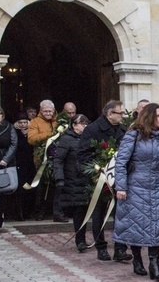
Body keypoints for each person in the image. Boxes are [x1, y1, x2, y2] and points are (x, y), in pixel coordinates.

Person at [113, 103, 159, 279]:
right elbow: (121, 162)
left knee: (157, 226)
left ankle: (154, 264)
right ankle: (137, 259)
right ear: (149, 117)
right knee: (136, 224)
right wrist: (121, 187)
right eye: (158, 115)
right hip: (136, 186)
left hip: (157, 187)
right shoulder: (134, 135)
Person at [78, 100, 132, 262]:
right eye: (120, 113)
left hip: (120, 178)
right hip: (99, 179)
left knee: (121, 214)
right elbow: (83, 155)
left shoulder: (123, 130)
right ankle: (101, 247)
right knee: (99, 213)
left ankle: (120, 248)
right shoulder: (93, 129)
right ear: (110, 114)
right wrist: (98, 169)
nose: (123, 115)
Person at [53, 114, 92, 252]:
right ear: (74, 125)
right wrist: (59, 178)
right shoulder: (66, 139)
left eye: (86, 123)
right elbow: (58, 160)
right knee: (78, 211)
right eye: (82, 123)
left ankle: (84, 239)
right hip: (73, 180)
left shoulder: (89, 139)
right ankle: (80, 241)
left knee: (86, 210)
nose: (85, 126)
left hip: (87, 179)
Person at [13, 111, 36, 220]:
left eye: (25, 122)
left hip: (31, 164)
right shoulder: (15, 133)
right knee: (20, 189)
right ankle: (20, 213)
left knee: (31, 188)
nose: (23, 124)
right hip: (19, 164)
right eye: (20, 122)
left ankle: (29, 211)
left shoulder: (32, 132)